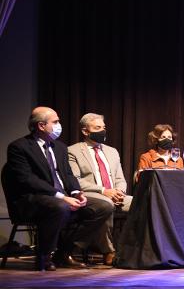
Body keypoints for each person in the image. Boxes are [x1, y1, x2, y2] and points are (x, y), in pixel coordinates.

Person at [1, 107, 113, 271]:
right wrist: (61, 197)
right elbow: (27, 180)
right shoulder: (19, 147)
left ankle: (64, 251)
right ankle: (44, 255)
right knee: (60, 206)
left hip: (62, 197)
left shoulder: (60, 147)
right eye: (55, 122)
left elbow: (67, 174)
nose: (59, 125)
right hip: (32, 200)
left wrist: (76, 192)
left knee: (103, 206)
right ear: (41, 125)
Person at [68, 113, 132, 266]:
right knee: (105, 205)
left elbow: (120, 179)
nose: (102, 131)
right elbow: (75, 180)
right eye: (97, 128)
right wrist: (104, 191)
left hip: (115, 194)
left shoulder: (112, 151)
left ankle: (137, 249)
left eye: (103, 127)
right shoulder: (73, 151)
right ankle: (108, 251)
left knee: (143, 203)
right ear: (85, 131)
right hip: (92, 195)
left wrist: (120, 192)